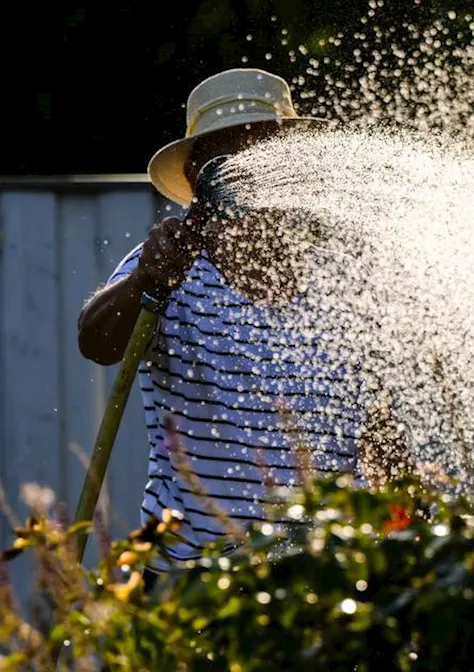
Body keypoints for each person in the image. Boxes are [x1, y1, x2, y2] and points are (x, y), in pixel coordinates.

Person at [77, 68, 405, 578]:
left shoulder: (346, 279)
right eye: (227, 153)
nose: (249, 171)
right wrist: (147, 279)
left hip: (327, 570)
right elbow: (95, 342)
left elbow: (378, 430)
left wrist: (401, 529)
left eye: (264, 151)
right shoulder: (168, 265)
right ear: (194, 177)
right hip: (198, 573)